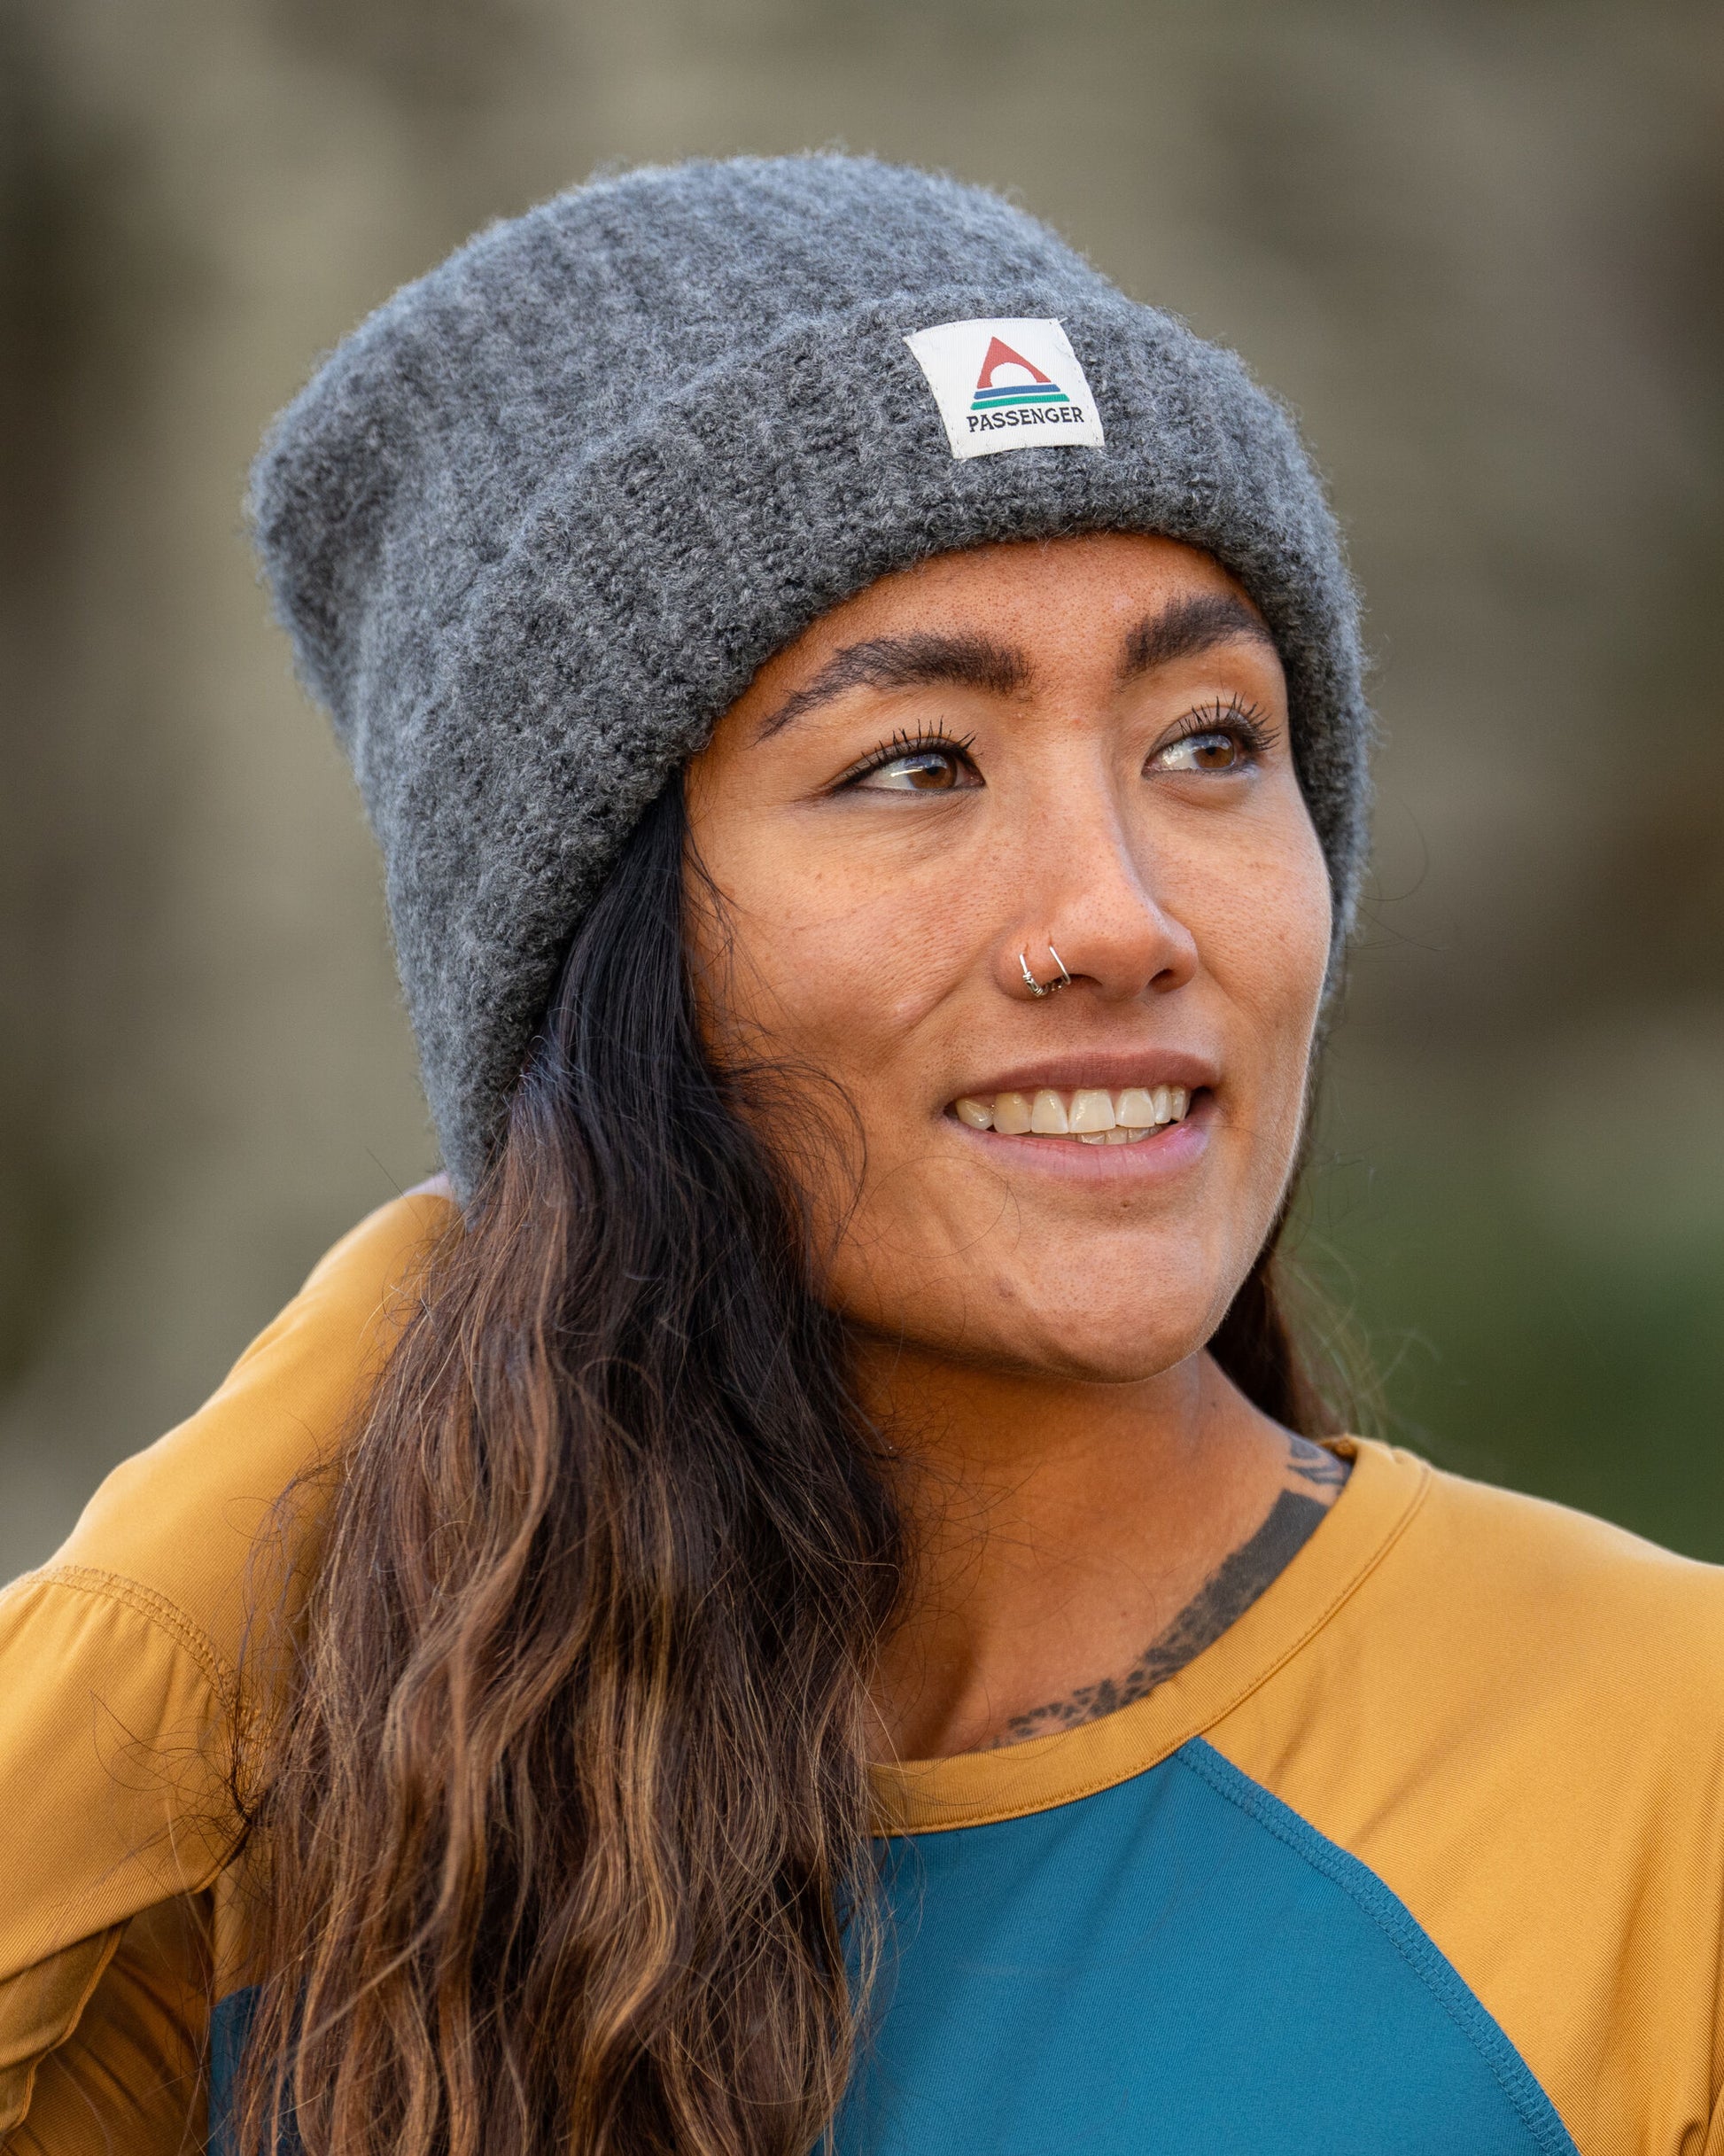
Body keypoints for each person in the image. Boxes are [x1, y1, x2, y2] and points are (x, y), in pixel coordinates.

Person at [0, 156, 1719, 2156]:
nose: (1123, 916)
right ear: (599, 956)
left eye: (1207, 742)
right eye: (917, 764)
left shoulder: (1665, 1775)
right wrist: (186, 1580)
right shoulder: (262, 1871)